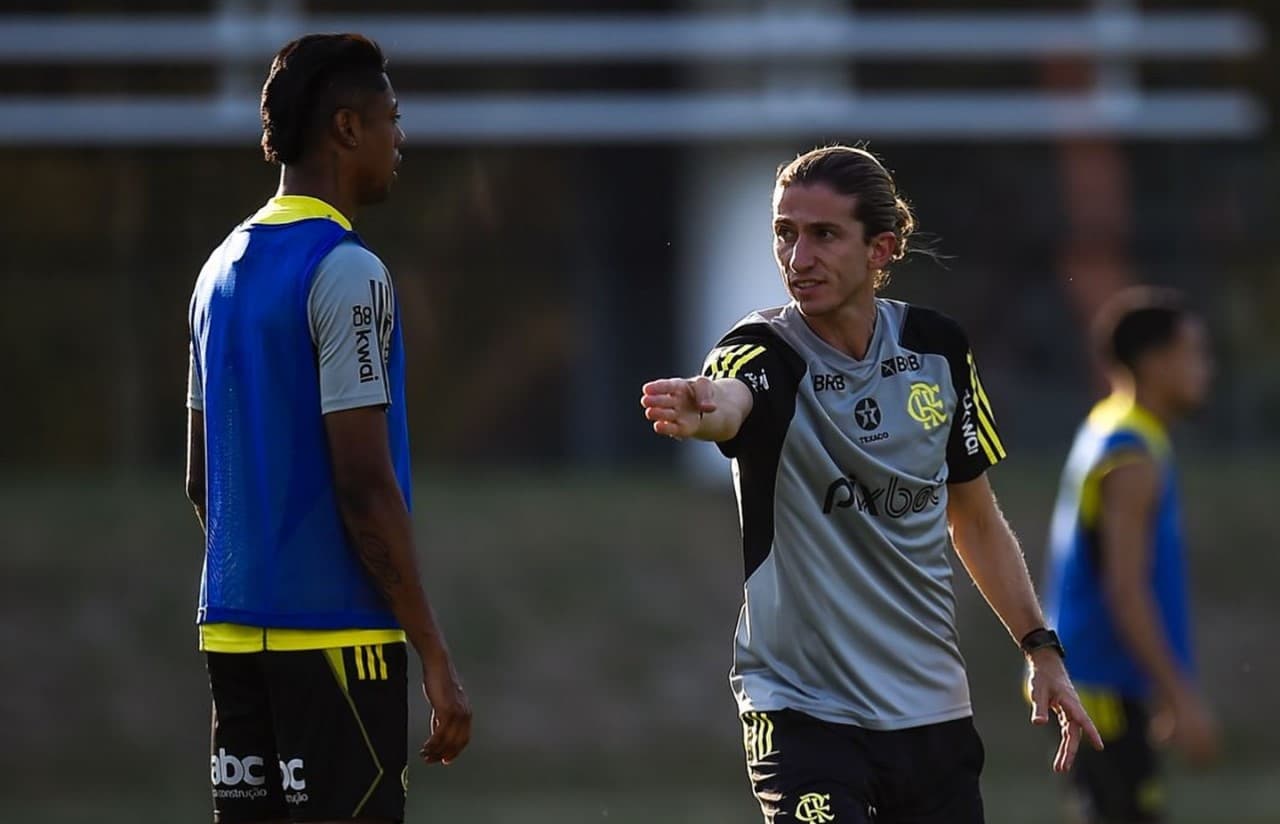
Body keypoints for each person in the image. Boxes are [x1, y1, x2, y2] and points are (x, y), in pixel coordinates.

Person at [640, 144, 1102, 824]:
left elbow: (972, 516)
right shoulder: (762, 350)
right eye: (785, 233)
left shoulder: (938, 350)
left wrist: (1041, 649)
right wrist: (706, 408)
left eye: (824, 235)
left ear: (881, 249)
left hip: (931, 713)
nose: (799, 259)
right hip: (802, 713)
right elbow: (735, 394)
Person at [185, 33, 471, 824]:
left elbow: (199, 477)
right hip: (338, 643)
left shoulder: (216, 272)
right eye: (391, 118)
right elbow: (363, 483)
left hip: (233, 639)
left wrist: (264, 578)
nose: (399, 140)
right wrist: (433, 652)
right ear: (348, 129)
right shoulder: (348, 270)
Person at [1044, 288, 1219, 823]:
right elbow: (1125, 590)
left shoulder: (1112, 424)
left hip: (1105, 683)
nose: (1206, 370)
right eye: (1195, 353)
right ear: (1156, 361)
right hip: (1102, 687)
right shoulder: (1131, 454)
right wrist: (1180, 695)